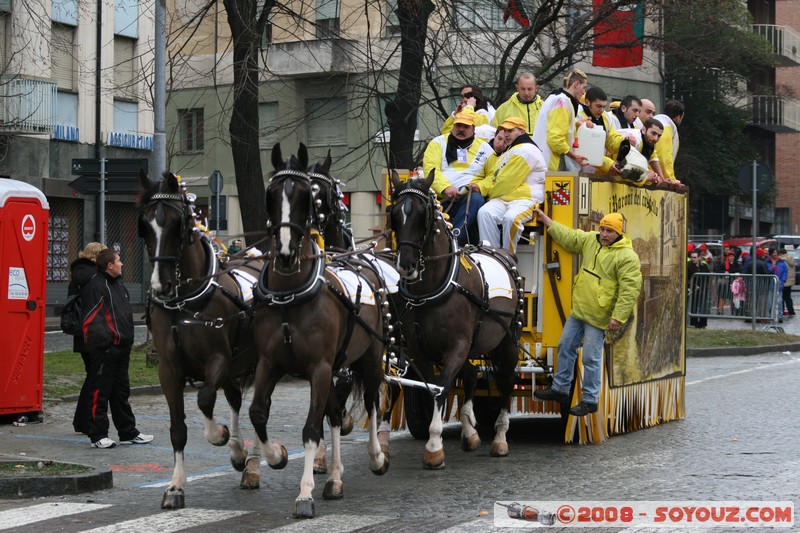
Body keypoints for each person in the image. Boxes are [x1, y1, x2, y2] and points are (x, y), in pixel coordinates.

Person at [532, 211, 642, 416]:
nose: (604, 234)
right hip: (580, 310)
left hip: (599, 316)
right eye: (602, 229)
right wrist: (547, 221)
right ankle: (560, 389)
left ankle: (590, 400)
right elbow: (570, 237)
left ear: (618, 233)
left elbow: (630, 290)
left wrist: (618, 316)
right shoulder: (591, 241)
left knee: (590, 358)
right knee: (565, 346)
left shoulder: (627, 256)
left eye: (609, 231)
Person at [77, 249, 154, 449]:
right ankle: (98, 434)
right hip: (105, 350)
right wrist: (107, 343)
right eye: (119, 261)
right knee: (99, 392)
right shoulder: (96, 286)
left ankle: (128, 431)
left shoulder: (119, 286)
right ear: (109, 265)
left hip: (122, 348)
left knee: (121, 392)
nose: (122, 264)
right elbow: (91, 320)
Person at [423, 109, 494, 245]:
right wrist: (446, 187)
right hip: (440, 200)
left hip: (467, 199)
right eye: (458, 125)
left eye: (466, 127)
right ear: (453, 125)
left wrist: (479, 186)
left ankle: (453, 238)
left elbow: (493, 175)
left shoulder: (485, 148)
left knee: (477, 199)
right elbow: (431, 169)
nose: (461, 129)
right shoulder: (438, 143)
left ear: (473, 129)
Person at [476, 117, 546, 253]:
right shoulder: (511, 150)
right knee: (485, 213)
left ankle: (507, 258)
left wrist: (487, 193)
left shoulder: (526, 149)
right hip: (507, 197)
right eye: (504, 130)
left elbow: (506, 182)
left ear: (522, 131)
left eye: (510, 130)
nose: (506, 134)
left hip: (526, 199)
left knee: (511, 218)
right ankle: (491, 254)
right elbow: (498, 179)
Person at [68, 242, 107, 435]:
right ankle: (84, 421)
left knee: (91, 376)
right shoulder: (94, 277)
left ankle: (81, 421)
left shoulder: (78, 274)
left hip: (80, 332)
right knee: (95, 378)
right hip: (93, 331)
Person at [532, 68, 590, 171]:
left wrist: (576, 124)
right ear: (576, 84)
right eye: (584, 87)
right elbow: (555, 139)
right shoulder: (562, 102)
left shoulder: (556, 98)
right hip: (549, 165)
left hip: (543, 162)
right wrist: (573, 156)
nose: (584, 92)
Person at [575, 86, 627, 176]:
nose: (602, 110)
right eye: (598, 106)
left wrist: (623, 143)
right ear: (587, 102)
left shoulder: (606, 117)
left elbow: (611, 138)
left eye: (604, 107)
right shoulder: (578, 115)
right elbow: (586, 149)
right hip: (577, 169)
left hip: (599, 171)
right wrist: (608, 164)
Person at [615, 118, 666, 183]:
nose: (655, 138)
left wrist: (662, 179)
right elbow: (630, 169)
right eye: (653, 133)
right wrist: (647, 176)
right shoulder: (635, 139)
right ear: (644, 130)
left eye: (659, 136)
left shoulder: (648, 141)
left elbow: (653, 158)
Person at [653, 99, 685, 182]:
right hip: (656, 179)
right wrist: (671, 179)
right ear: (678, 118)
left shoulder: (655, 122)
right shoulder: (666, 128)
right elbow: (664, 158)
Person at [687, 250, 709, 329]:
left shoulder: (704, 266)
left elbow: (708, 276)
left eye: (695, 257)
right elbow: (686, 279)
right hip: (693, 290)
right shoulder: (688, 266)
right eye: (692, 257)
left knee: (703, 307)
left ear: (699, 257)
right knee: (693, 307)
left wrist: (705, 286)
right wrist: (691, 286)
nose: (693, 259)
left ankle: (703, 323)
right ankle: (694, 323)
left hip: (703, 289)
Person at [767, 247, 788, 320]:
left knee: (779, 301)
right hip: (770, 284)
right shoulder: (767, 262)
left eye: (776, 252)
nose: (776, 254)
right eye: (774, 253)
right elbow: (766, 271)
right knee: (769, 301)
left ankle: (780, 315)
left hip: (779, 283)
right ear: (771, 254)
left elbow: (785, 271)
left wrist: (784, 279)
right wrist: (772, 268)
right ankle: (769, 315)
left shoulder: (781, 262)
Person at [779, 248, 795, 316]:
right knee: (788, 297)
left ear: (781, 253)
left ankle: (781, 311)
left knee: (781, 297)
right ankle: (791, 311)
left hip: (784, 280)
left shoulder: (781, 260)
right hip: (790, 281)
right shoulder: (791, 258)